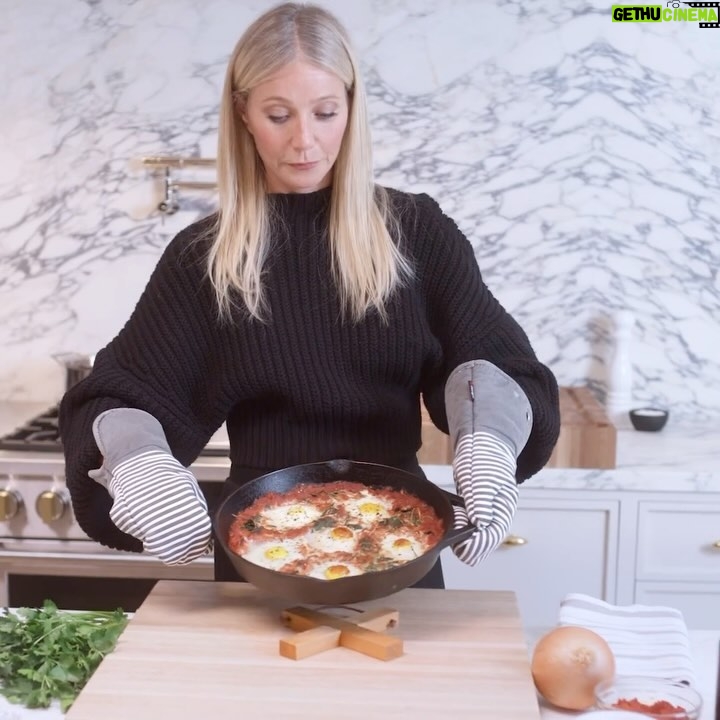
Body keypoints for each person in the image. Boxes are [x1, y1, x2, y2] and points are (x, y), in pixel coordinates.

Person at [58, 2, 560, 589]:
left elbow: (501, 365)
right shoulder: (205, 256)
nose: (304, 141)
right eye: (278, 114)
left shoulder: (417, 231)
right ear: (243, 113)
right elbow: (116, 394)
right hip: (258, 552)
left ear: (352, 107)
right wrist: (136, 462)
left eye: (325, 112)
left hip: (399, 538)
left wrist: (490, 440)